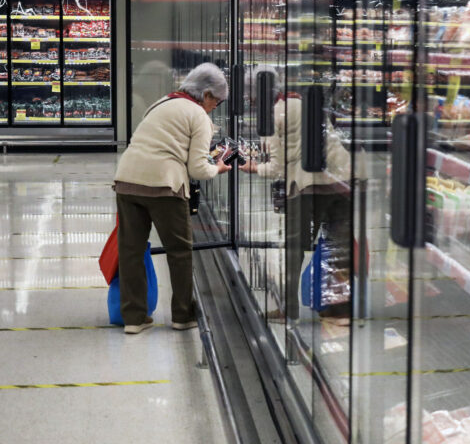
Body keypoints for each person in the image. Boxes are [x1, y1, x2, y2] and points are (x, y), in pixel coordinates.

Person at [114, 63, 232, 334]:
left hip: (127, 179)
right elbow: (197, 169)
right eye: (218, 100)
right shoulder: (199, 116)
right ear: (206, 94)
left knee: (131, 251)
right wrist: (218, 167)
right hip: (164, 185)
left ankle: (133, 318)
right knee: (179, 251)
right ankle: (182, 315)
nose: (217, 105)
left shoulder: (161, 102)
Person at [239, 66, 354, 326]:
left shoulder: (272, 116)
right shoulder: (299, 101)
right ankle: (340, 312)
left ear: (255, 97)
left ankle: (288, 310)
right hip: (342, 181)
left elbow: (277, 168)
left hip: (306, 188)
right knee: (338, 248)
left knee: (293, 250)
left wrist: (251, 166)